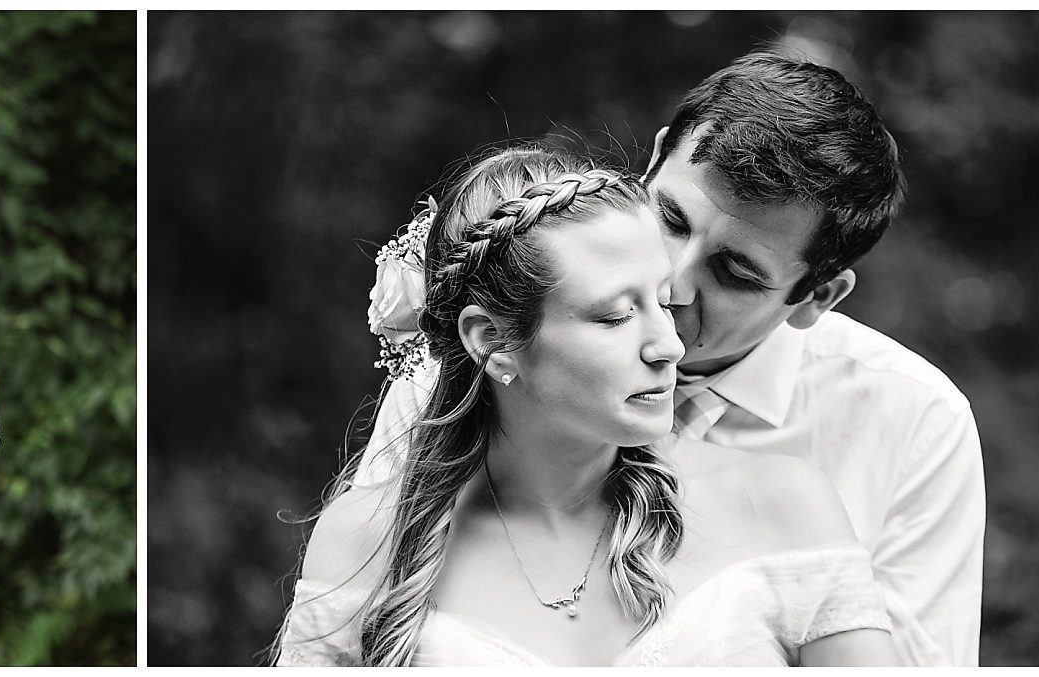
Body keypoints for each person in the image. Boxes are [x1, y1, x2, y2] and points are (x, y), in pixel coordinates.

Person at [353, 51, 981, 665]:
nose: (674, 284)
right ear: (653, 162)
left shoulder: (911, 422)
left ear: (816, 296)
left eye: (734, 273)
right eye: (672, 219)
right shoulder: (489, 359)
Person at [278, 147, 899, 666]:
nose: (669, 344)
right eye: (615, 316)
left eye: (662, 300)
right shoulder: (371, 538)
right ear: (492, 341)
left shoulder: (786, 506)